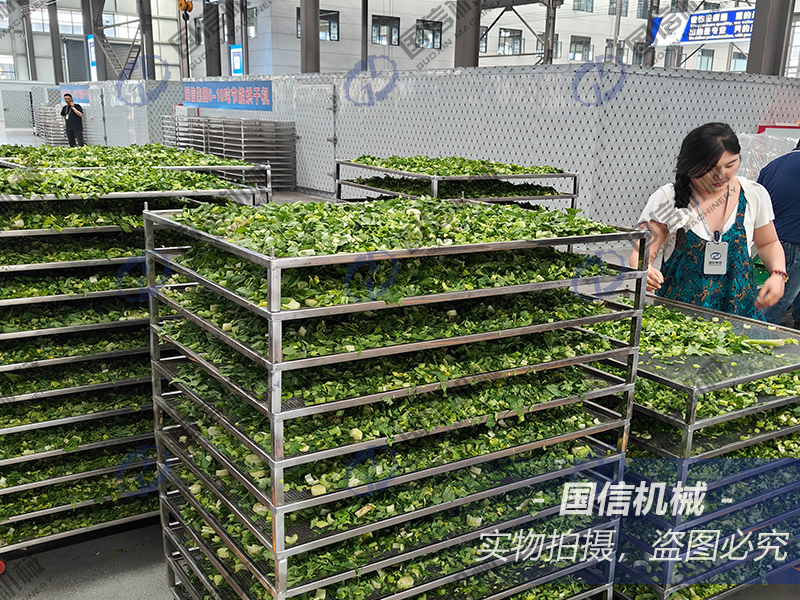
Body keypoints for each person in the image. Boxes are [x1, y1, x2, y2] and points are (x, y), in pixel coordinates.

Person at [629, 122, 787, 321]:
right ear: (689, 165)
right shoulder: (667, 198)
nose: (721, 175)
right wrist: (644, 269)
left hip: (739, 317)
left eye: (730, 165)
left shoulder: (753, 194)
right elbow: (641, 252)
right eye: (710, 168)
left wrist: (778, 274)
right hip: (678, 321)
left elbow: (768, 243)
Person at [757, 140, 800, 329]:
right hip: (795, 243)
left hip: (773, 241)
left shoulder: (772, 166)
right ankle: (755, 337)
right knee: (777, 302)